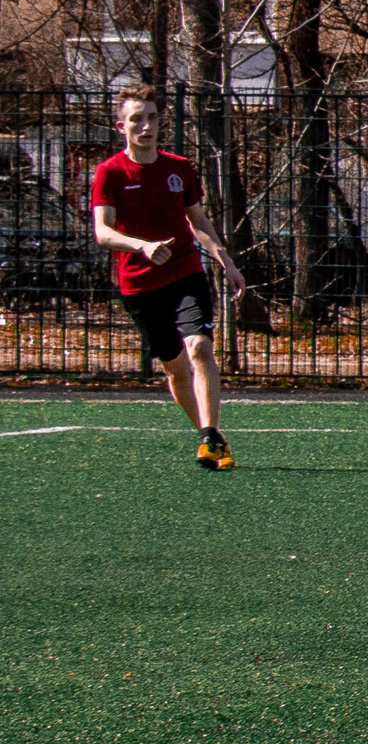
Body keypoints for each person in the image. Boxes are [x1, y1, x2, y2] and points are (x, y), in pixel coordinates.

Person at [87, 84, 245, 470]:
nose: (146, 126)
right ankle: (212, 437)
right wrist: (141, 246)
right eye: (136, 119)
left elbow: (198, 220)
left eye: (152, 117)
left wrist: (225, 259)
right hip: (138, 285)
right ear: (121, 126)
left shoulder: (178, 168)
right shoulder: (109, 172)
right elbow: (102, 232)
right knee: (175, 370)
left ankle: (210, 435)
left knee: (200, 348)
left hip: (184, 273)